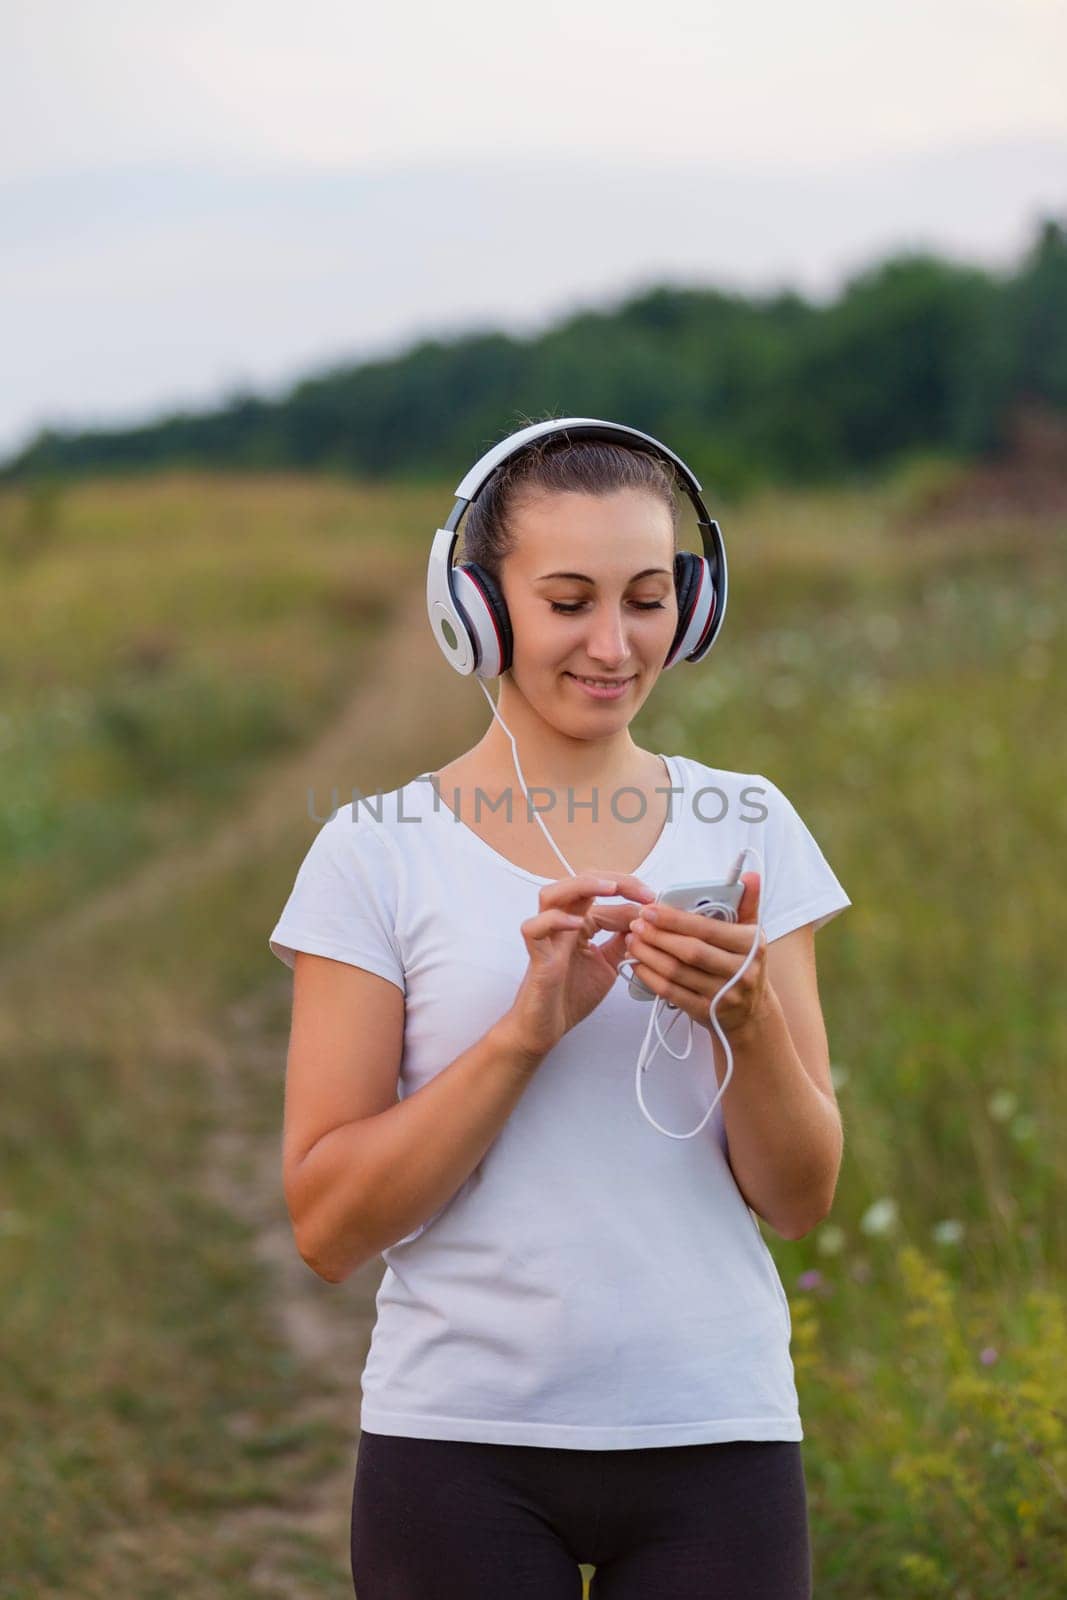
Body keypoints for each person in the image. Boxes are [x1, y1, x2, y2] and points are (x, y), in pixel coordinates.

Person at [268, 432, 851, 1597]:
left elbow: (798, 1198)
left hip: (716, 1434)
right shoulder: (372, 852)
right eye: (566, 601)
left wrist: (744, 1021)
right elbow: (327, 1226)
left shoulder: (751, 824)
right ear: (474, 613)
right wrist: (522, 1034)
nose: (610, 643)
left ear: (691, 607)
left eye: (645, 599)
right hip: (455, 1448)